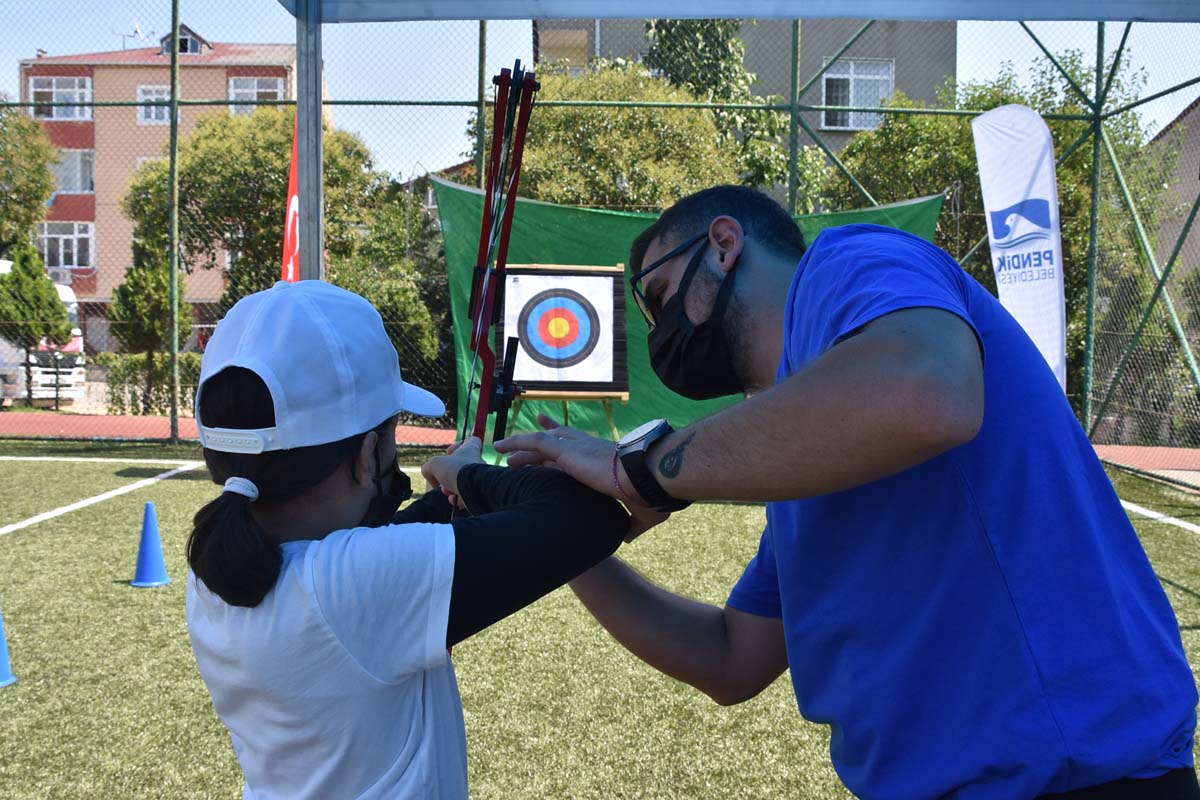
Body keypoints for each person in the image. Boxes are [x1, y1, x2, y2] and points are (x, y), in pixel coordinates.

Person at [495, 185, 1200, 799]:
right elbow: (731, 659)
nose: (662, 336)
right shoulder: (803, 453)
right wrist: (565, 539)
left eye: (660, 297)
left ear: (723, 245)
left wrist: (640, 467)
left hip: (1081, 784)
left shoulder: (848, 259)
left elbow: (929, 393)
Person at [185, 280, 629, 799]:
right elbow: (588, 518)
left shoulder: (222, 563)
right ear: (366, 453)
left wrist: (443, 503)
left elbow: (373, 550)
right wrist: (468, 476)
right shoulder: (349, 589)